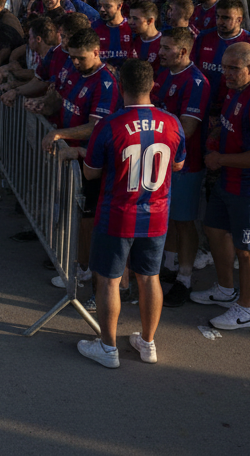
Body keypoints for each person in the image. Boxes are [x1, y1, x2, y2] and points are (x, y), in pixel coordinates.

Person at [61, 59, 184, 368]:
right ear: (152, 85)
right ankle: (148, 343)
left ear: (120, 86)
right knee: (150, 278)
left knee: (109, 281)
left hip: (117, 214)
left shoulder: (109, 125)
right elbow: (179, 164)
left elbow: (91, 172)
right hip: (156, 214)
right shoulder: (172, 122)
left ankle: (108, 347)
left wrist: (81, 153)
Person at [193, 42, 250, 331]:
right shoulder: (236, 89)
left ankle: (246, 309)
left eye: (233, 68)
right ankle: (225, 289)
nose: (226, 74)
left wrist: (219, 159)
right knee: (214, 230)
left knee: (247, 250)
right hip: (229, 179)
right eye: (224, 67)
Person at [36, 29, 123, 297]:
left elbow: (97, 126)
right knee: (73, 213)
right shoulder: (74, 72)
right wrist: (43, 104)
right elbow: (60, 101)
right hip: (70, 155)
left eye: (80, 58)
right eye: (72, 57)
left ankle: (85, 269)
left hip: (90, 160)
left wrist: (60, 134)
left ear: (97, 52)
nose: (75, 62)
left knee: (87, 219)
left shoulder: (105, 82)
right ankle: (77, 262)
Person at [151, 28, 211, 307]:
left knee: (185, 221)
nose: (160, 52)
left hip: (186, 164)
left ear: (184, 51)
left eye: (166, 48)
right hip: (162, 159)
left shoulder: (196, 82)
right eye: (161, 47)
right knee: (170, 217)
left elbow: (186, 129)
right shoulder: (165, 73)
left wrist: (152, 130)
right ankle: (170, 264)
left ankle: (185, 279)